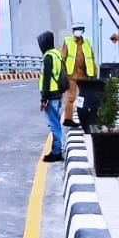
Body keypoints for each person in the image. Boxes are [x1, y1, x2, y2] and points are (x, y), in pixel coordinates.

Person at [60, 23, 96, 128]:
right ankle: (68, 119)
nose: (78, 31)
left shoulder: (87, 43)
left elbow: (91, 59)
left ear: (83, 30)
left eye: (80, 29)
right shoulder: (68, 41)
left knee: (84, 98)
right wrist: (63, 73)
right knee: (71, 97)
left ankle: (85, 118)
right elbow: (63, 58)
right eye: (76, 29)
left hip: (84, 75)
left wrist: (93, 73)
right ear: (73, 31)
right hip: (71, 74)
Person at [38, 31, 66, 162]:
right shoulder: (57, 54)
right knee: (56, 123)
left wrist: (44, 98)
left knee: (54, 124)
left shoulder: (48, 57)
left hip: (51, 95)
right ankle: (57, 149)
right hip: (58, 94)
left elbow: (47, 79)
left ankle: (56, 152)